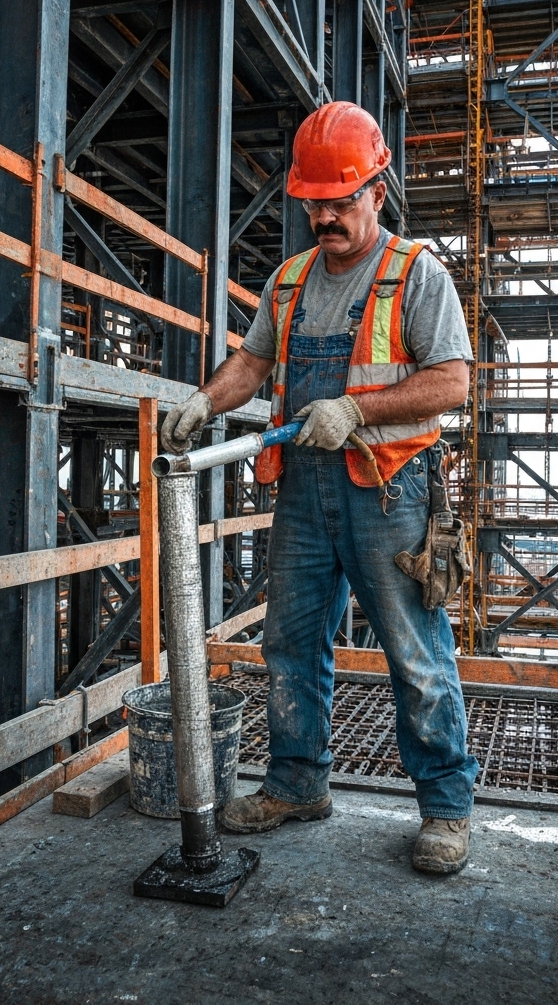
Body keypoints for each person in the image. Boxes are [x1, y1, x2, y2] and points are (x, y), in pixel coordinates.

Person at [160, 102, 479, 875]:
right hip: (305, 490)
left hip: (389, 490)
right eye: (315, 202)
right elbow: (254, 362)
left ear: (378, 188)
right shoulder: (291, 279)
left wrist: (355, 408)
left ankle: (445, 807)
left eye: (342, 200)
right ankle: (297, 782)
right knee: (290, 644)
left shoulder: (415, 274)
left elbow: (452, 382)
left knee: (415, 651)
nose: (327, 216)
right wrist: (208, 400)